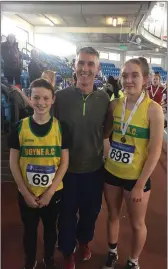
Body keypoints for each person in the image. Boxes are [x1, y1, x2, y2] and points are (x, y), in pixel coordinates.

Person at [103, 58, 164, 269]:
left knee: (137, 223)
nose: (128, 80)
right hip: (111, 171)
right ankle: (112, 252)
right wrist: (104, 149)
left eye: (135, 75)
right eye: (125, 75)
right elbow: (105, 133)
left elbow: (155, 151)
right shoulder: (114, 105)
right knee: (112, 215)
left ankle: (133, 260)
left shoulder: (153, 110)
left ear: (145, 79)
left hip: (136, 178)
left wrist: (140, 184)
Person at [54, 47, 109, 269]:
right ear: (74, 66)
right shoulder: (60, 98)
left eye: (90, 64)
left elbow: (106, 130)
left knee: (91, 212)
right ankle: (68, 251)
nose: (85, 69)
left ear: (97, 69)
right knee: (66, 214)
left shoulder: (105, 99)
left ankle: (84, 241)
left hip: (94, 170)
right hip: (66, 170)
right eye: (81, 63)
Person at [8, 78, 69, 269]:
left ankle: (49, 259)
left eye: (45, 98)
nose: (41, 102)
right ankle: (30, 260)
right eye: (36, 97)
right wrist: (24, 192)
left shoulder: (61, 128)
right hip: (27, 192)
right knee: (29, 231)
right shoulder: (19, 127)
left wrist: (50, 192)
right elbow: (13, 162)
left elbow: (64, 162)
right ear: (30, 98)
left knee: (51, 230)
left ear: (52, 100)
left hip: (53, 193)